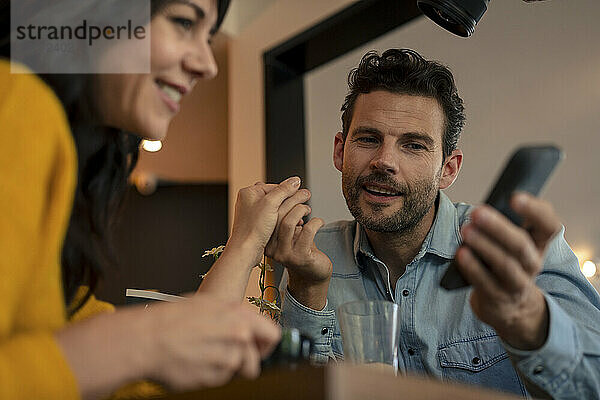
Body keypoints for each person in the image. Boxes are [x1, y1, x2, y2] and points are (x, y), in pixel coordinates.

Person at [0, 1, 309, 399]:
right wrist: (143, 339)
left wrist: (246, 241)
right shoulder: (18, 107)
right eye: (182, 22)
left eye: (209, 37)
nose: (207, 64)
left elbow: (132, 382)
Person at [265, 49, 600, 398]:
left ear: (448, 169)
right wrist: (306, 294)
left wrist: (529, 320)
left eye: (413, 145)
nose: (384, 161)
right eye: (368, 139)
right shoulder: (312, 259)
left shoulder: (516, 248)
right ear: (339, 150)